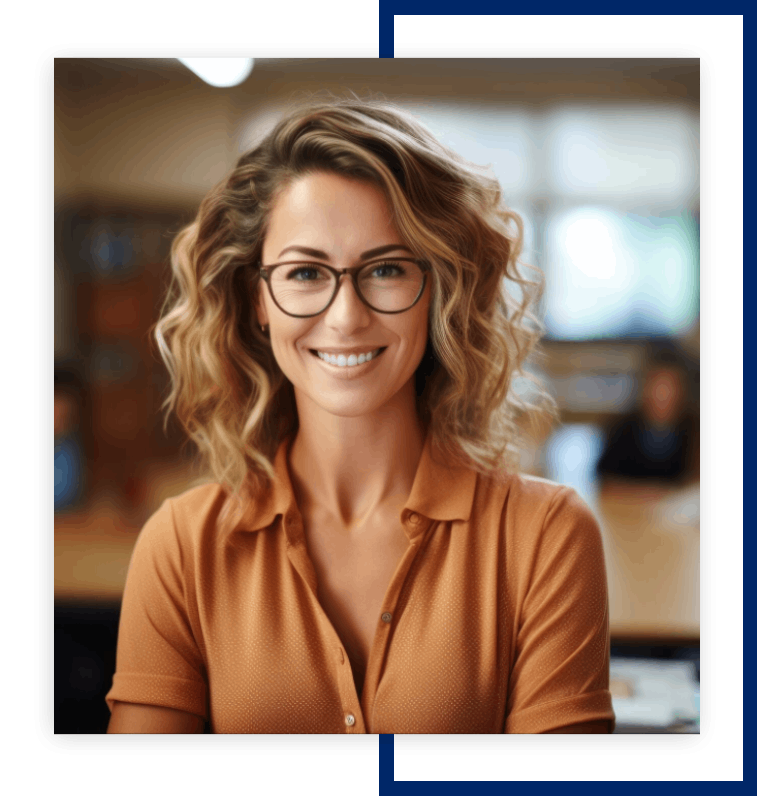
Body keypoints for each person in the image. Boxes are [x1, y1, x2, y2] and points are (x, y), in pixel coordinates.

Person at [107, 90, 614, 734]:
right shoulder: (180, 546)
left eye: (386, 268)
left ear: (438, 289)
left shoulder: (546, 538)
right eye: (304, 274)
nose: (346, 317)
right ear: (257, 298)